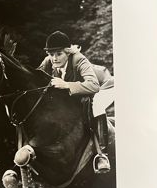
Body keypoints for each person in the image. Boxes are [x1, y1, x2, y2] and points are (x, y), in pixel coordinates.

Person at [37, 31, 114, 174]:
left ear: (68, 52)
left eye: (59, 54)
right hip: (88, 88)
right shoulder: (49, 61)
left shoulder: (79, 59)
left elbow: (94, 86)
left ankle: (102, 155)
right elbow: (35, 81)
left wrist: (66, 85)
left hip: (106, 85)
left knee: (95, 103)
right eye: (51, 54)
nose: (54, 58)